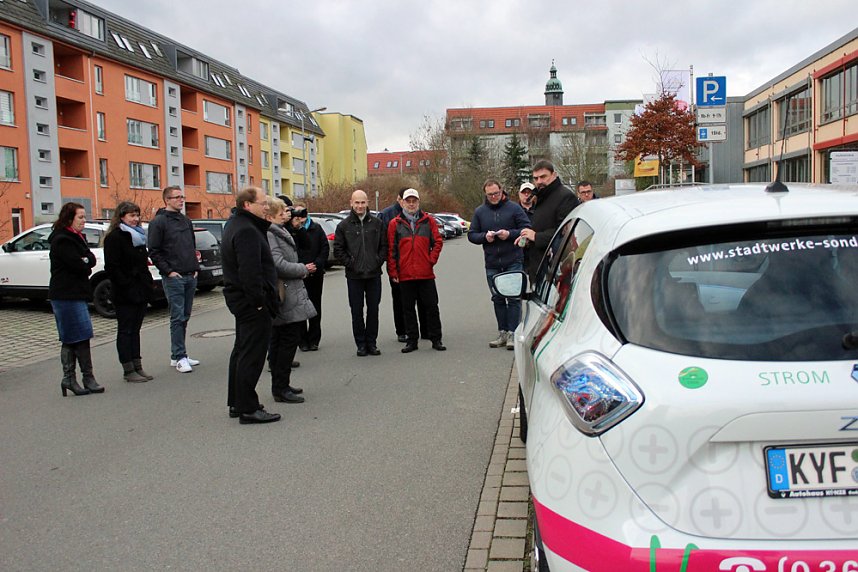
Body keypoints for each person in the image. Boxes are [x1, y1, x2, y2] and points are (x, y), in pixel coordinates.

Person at [221, 187, 281, 424]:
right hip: (250, 303)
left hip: (241, 300)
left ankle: (237, 402)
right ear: (247, 205)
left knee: (241, 351)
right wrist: (259, 303)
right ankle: (247, 407)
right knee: (252, 355)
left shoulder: (238, 225)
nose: (267, 207)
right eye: (263, 203)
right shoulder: (246, 230)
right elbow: (250, 272)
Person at [468, 179, 531, 350]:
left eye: (496, 193)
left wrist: (509, 234)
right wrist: (484, 237)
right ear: (485, 195)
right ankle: (502, 331)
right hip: (492, 262)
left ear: (502, 191)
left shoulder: (514, 208)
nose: (494, 197)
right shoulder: (480, 212)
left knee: (513, 298)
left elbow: (526, 229)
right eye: (490, 195)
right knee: (498, 298)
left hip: (513, 260)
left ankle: (513, 333)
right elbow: (472, 234)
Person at [49, 202, 103, 396]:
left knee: (81, 334)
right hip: (65, 294)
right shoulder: (62, 239)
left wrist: (85, 261)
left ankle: (85, 377)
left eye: (84, 217)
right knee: (74, 335)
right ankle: (71, 378)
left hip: (77, 293)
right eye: (80, 217)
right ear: (69, 218)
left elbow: (91, 259)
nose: (83, 221)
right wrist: (84, 262)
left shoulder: (78, 237)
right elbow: (78, 265)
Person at [267, 197, 316, 404]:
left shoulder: (282, 230)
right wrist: (303, 269)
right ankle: (279, 388)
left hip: (292, 291)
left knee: (287, 340)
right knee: (286, 341)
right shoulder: (271, 233)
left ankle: (282, 384)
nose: (288, 213)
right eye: (283, 211)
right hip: (285, 292)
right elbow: (277, 263)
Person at [148, 186, 201, 373]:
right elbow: (154, 250)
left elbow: (191, 246)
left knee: (185, 316)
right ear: (167, 200)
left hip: (189, 274)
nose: (181, 200)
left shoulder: (186, 220)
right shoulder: (159, 222)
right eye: (177, 197)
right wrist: (169, 271)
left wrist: (195, 267)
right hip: (174, 277)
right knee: (177, 317)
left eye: (182, 197)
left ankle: (179, 354)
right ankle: (179, 356)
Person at [387, 188, 445, 352]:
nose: (411, 204)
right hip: (405, 275)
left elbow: (438, 242)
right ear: (402, 202)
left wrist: (430, 260)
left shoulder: (429, 221)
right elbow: (391, 250)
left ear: (418, 202)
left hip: (425, 273)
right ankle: (412, 341)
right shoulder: (395, 224)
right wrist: (393, 272)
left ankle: (436, 339)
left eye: (414, 201)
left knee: (432, 307)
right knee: (408, 309)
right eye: (408, 201)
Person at [104, 201, 155, 383]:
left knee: (136, 330)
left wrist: (147, 285)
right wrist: (127, 284)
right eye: (131, 215)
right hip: (125, 292)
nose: (135, 219)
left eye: (137, 215)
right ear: (122, 216)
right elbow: (112, 267)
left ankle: (137, 365)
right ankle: (128, 368)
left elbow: (143, 264)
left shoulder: (139, 236)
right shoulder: (115, 237)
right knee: (125, 330)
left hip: (140, 289)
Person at [334, 189, 387, 357]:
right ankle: (361, 344)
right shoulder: (343, 226)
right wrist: (351, 264)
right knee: (356, 311)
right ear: (351, 203)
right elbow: (338, 250)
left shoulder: (377, 224)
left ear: (368, 203)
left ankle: (372, 343)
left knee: (373, 310)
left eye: (363, 202)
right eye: (357, 202)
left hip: (373, 275)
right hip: (354, 276)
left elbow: (384, 246)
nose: (360, 206)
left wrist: (377, 261)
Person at [518, 160, 579, 283]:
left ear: (554, 175)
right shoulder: (540, 197)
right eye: (536, 178)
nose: (539, 181)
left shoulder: (565, 197)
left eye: (543, 176)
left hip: (555, 269)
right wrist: (529, 239)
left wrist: (536, 236)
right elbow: (543, 226)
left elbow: (565, 233)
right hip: (538, 267)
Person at [379, 188, 427, 343]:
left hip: (418, 265)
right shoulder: (387, 215)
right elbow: (385, 242)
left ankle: (425, 329)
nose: (408, 203)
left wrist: (430, 259)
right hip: (397, 265)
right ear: (399, 199)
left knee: (422, 298)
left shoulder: (419, 214)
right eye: (405, 200)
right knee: (400, 299)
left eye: (413, 200)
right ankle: (402, 330)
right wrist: (391, 266)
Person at [291, 204, 329, 352]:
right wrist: (301, 267)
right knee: (299, 307)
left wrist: (317, 264)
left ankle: (314, 339)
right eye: (297, 215)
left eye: (302, 214)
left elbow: (324, 248)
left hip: (315, 273)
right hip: (299, 274)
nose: (300, 218)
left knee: (315, 306)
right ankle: (302, 340)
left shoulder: (316, 228)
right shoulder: (291, 231)